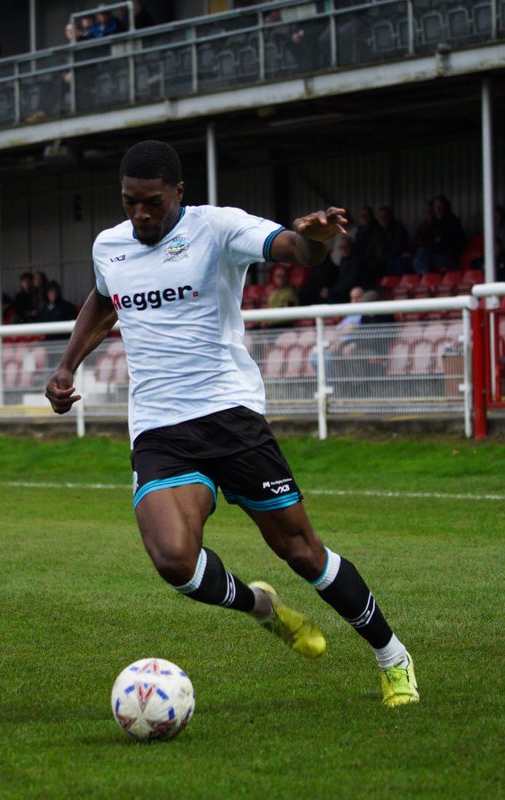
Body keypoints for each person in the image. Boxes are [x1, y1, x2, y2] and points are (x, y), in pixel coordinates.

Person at [44, 140, 418, 709]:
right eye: (129, 203)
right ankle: (262, 608)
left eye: (151, 203)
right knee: (175, 562)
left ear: (178, 194)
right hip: (159, 426)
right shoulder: (109, 245)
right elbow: (102, 302)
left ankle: (392, 657)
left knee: (302, 551)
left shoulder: (218, 228)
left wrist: (315, 240)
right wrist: (67, 365)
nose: (140, 215)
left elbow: (293, 247)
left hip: (229, 415)